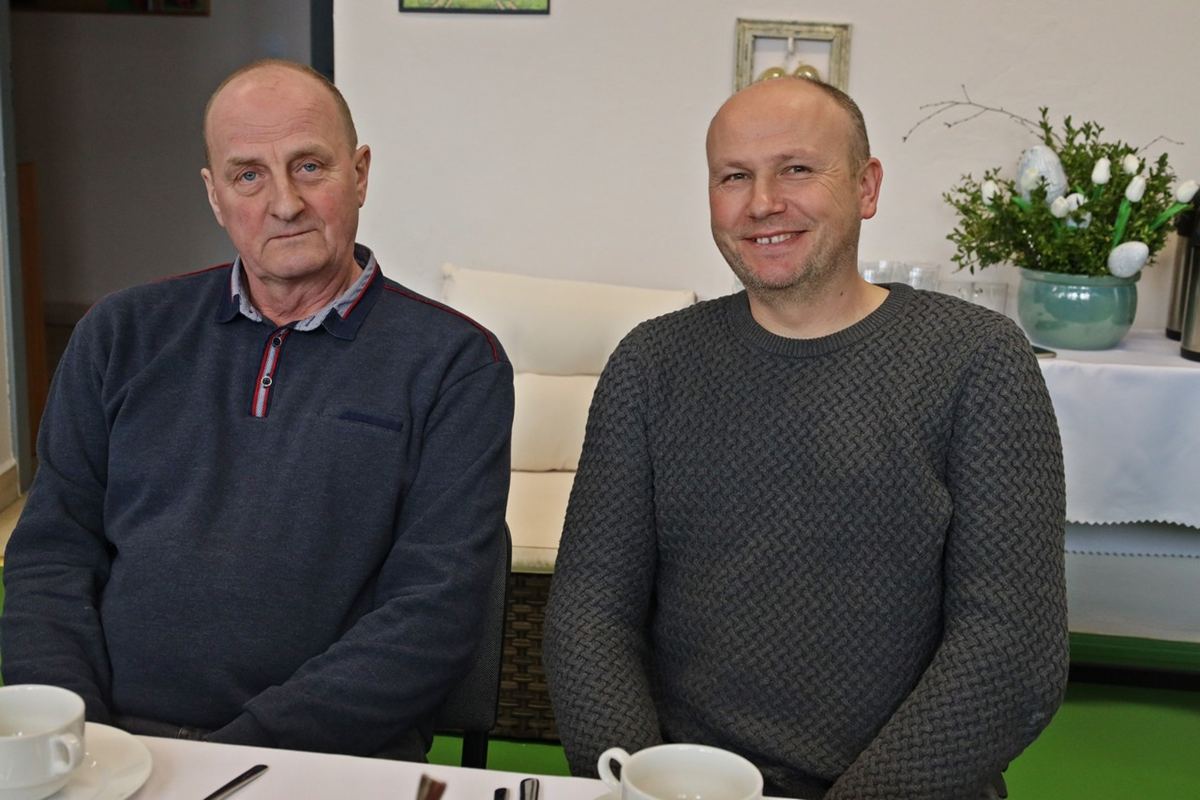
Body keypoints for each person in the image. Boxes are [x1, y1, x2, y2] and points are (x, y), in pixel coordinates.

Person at [542, 76, 1067, 800]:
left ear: (866, 186)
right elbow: (590, 610)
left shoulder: (977, 360)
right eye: (734, 176)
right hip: (687, 785)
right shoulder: (652, 363)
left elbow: (1013, 649)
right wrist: (642, 783)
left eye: (795, 169)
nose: (762, 203)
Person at [0, 60, 513, 761]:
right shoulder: (119, 334)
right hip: (112, 748)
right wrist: (75, 738)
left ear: (360, 173)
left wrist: (243, 756)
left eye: (310, 167)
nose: (285, 204)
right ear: (215, 196)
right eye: (249, 175)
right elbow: (51, 556)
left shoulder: (457, 363)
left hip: (324, 759)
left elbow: (434, 614)